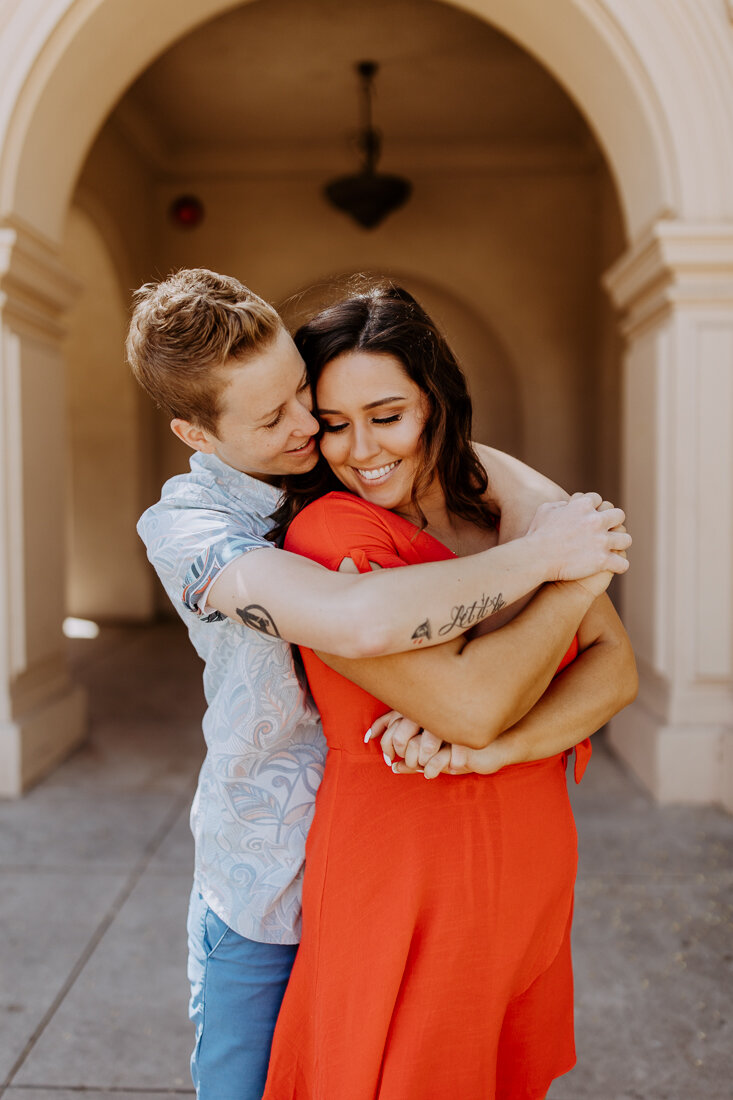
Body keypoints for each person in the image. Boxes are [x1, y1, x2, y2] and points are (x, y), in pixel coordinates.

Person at [126, 268, 630, 1100]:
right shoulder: (202, 529)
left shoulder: (417, 477)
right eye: (286, 417)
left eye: (303, 398)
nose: (309, 432)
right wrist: (558, 565)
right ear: (197, 434)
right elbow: (364, 622)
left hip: (456, 854)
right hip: (272, 875)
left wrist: (554, 534)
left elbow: (609, 659)